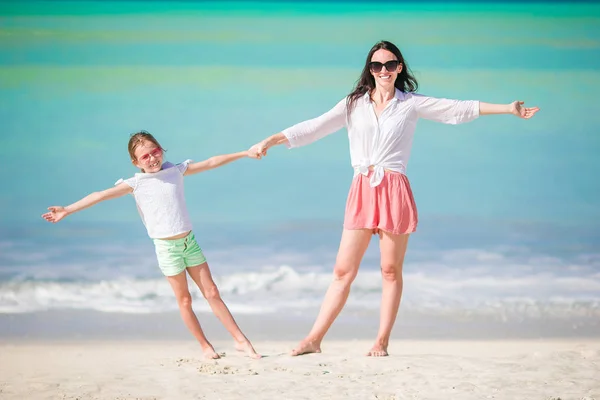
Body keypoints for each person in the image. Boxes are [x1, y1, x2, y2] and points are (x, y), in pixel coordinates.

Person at [250, 40, 539, 357]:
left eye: (390, 65)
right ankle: (314, 339)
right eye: (377, 66)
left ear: (399, 67)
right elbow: (313, 128)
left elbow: (456, 109)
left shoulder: (410, 104)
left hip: (394, 188)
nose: (383, 71)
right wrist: (272, 140)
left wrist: (507, 108)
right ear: (370, 70)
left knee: (390, 270)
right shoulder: (353, 104)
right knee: (343, 271)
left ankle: (381, 341)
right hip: (362, 187)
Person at [42, 131, 262, 360]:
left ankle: (241, 341)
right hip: (167, 249)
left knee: (212, 292)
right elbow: (100, 195)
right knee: (185, 300)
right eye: (145, 157)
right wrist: (67, 209)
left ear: (162, 150)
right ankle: (205, 346)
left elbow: (211, 162)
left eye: (155, 152)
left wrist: (244, 153)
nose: (152, 159)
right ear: (135, 162)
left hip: (190, 243)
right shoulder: (136, 184)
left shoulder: (175, 171)